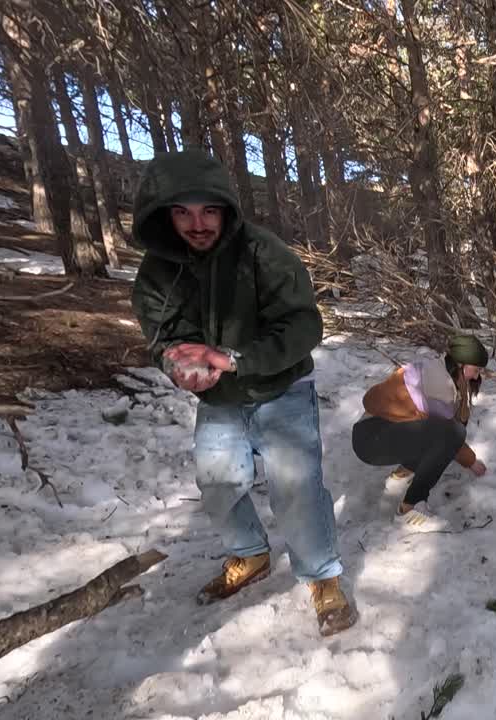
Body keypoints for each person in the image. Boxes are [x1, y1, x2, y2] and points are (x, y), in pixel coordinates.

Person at [130, 150, 357, 637]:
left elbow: (304, 325)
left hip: (281, 388)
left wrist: (235, 359)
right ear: (164, 216)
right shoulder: (157, 272)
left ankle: (323, 578)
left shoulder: (263, 252)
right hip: (219, 400)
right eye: (182, 212)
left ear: (226, 209)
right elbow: (162, 339)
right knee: (217, 483)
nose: (197, 223)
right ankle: (251, 554)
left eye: (208, 210)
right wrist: (174, 362)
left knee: (296, 489)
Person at [352, 335, 490, 528]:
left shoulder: (441, 370)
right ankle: (410, 508)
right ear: (460, 364)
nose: (477, 376)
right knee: (451, 434)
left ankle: (401, 476)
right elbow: (448, 434)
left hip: (374, 433)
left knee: (440, 433)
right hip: (372, 439)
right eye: (475, 370)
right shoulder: (440, 381)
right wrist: (471, 462)